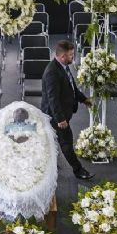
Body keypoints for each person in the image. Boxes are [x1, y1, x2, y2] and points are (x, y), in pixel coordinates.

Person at [41, 40, 94, 180]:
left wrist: (84, 100)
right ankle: (78, 170)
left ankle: (49, 167)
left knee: (53, 141)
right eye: (71, 55)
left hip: (63, 114)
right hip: (56, 116)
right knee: (66, 143)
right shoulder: (52, 72)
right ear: (63, 56)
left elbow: (72, 88)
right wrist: (61, 119)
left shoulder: (63, 66)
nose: (73, 57)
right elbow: (53, 99)